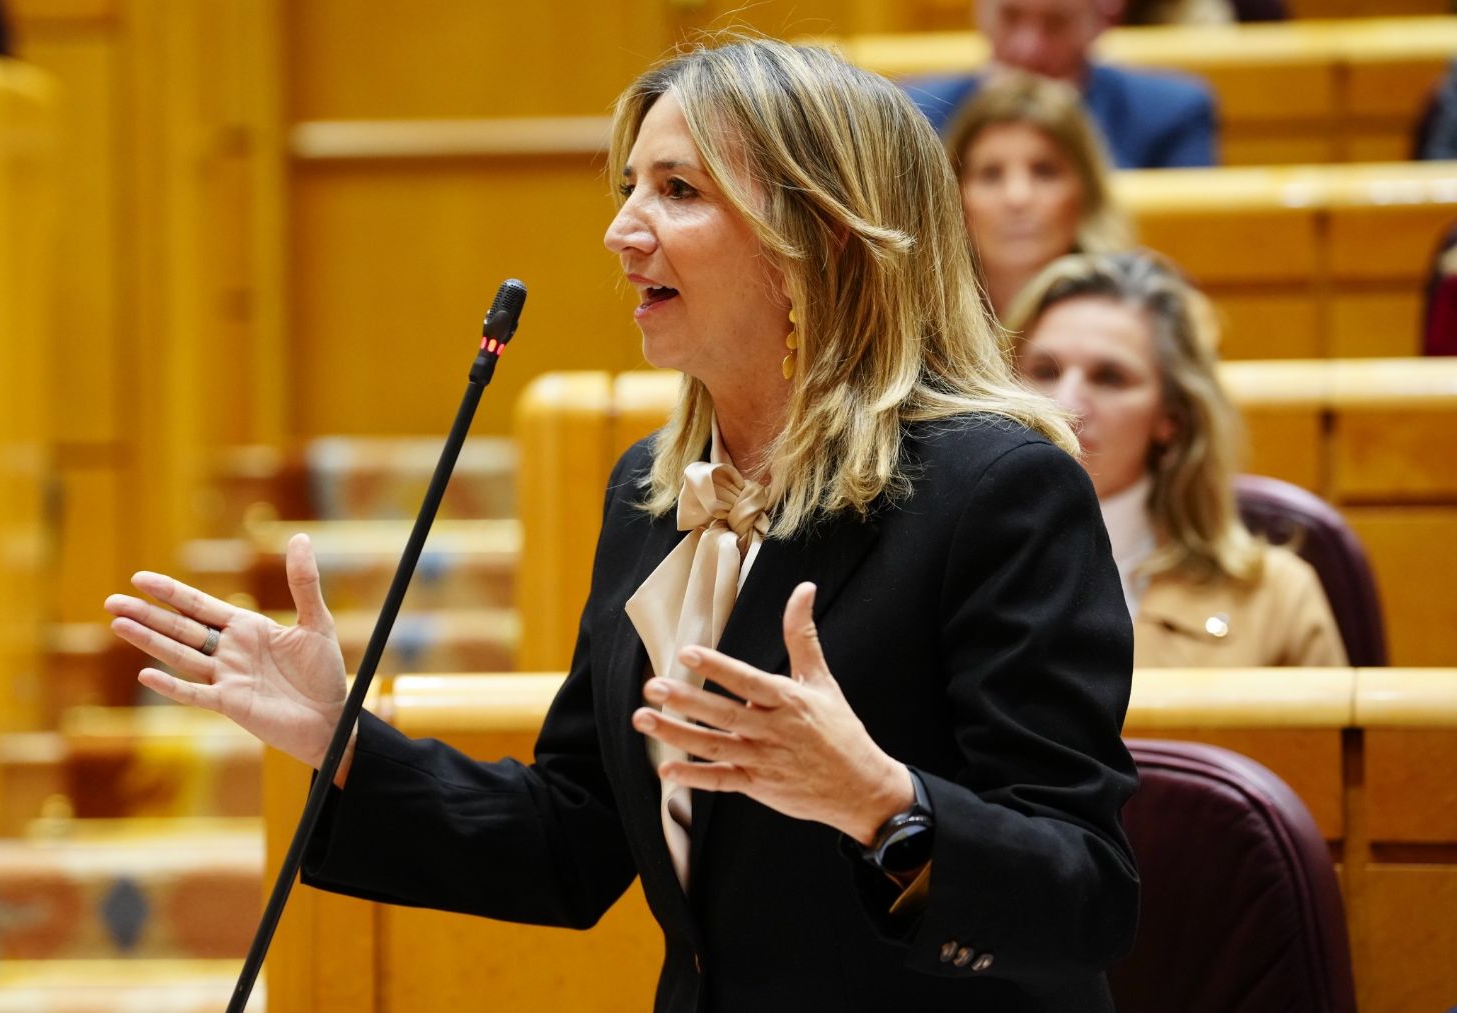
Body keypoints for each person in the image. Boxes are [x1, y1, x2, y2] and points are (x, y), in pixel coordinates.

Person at [107, 38, 1139, 1011]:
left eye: (678, 190)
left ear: (818, 238)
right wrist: (345, 742)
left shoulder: (999, 488)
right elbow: (576, 831)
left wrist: (882, 801)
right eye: (630, 186)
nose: (622, 228)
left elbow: (1084, 896)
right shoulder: (651, 488)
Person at [1007, 250, 1348, 667]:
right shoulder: (945, 572)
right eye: (1044, 371)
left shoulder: (1277, 598)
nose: (1065, 404)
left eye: (1110, 377)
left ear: (1171, 417)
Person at [907, 0, 1219, 169]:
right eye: (1010, 16)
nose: (1027, 47)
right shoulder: (916, 113)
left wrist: (1064, 124)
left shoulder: (1174, 112)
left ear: (1103, 19)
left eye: (1056, 22)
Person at [946, 72, 1134, 313]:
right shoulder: (913, 321)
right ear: (953, 196)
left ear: (1086, 191)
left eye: (1045, 172)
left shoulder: (1138, 314)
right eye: (990, 174)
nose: (1017, 197)